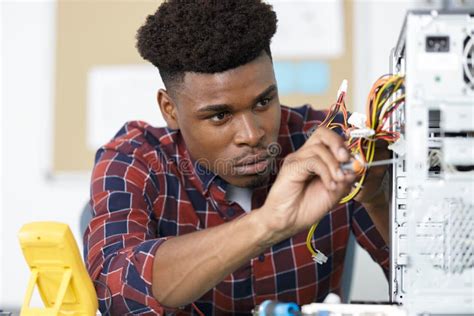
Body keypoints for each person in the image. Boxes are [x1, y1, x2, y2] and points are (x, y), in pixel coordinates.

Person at [83, 1, 390, 314]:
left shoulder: (330, 144)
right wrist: (267, 224)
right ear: (169, 109)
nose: (252, 134)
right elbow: (115, 291)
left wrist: (379, 198)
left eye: (263, 102)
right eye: (219, 116)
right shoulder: (135, 158)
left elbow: (430, 288)